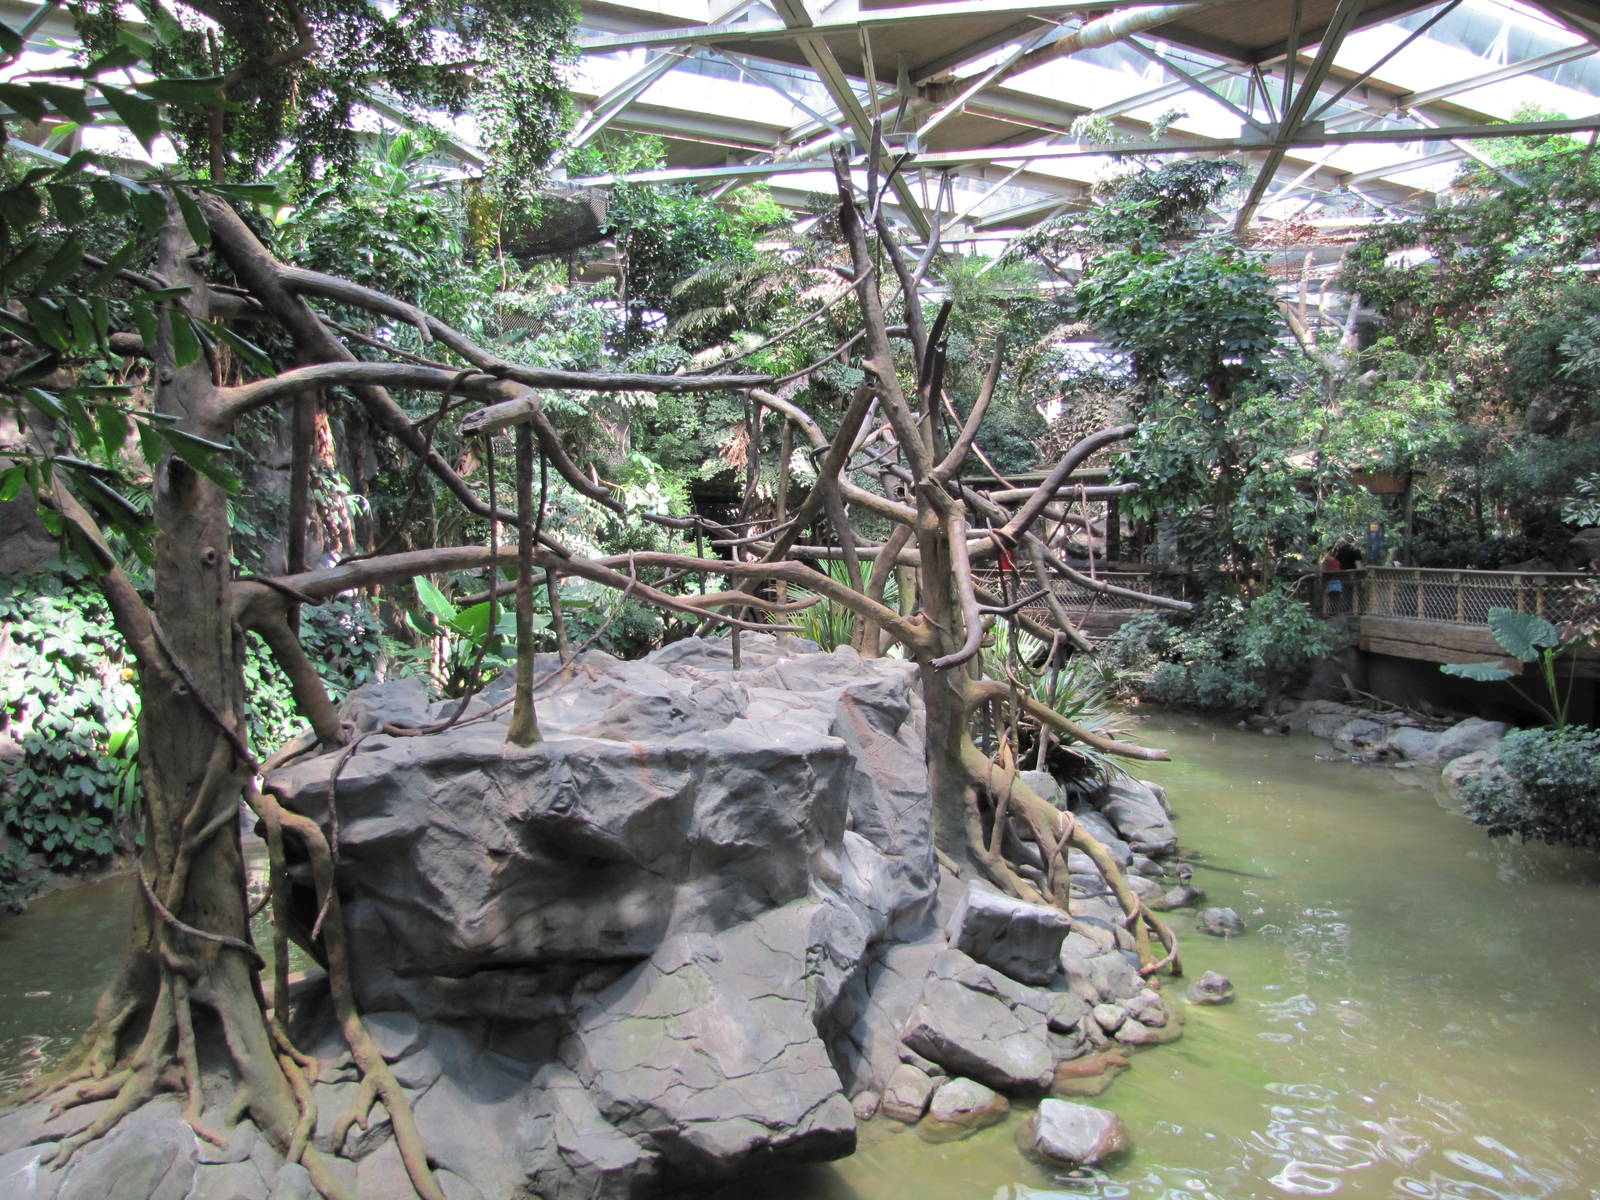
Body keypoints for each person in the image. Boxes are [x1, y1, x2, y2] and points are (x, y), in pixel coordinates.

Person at [1321, 546, 1345, 614]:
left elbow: (1323, 570)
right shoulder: (1338, 560)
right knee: (1336, 598)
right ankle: (1335, 611)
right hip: (1337, 582)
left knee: (1331, 598)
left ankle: (1331, 611)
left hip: (1329, 582)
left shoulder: (1326, 560)